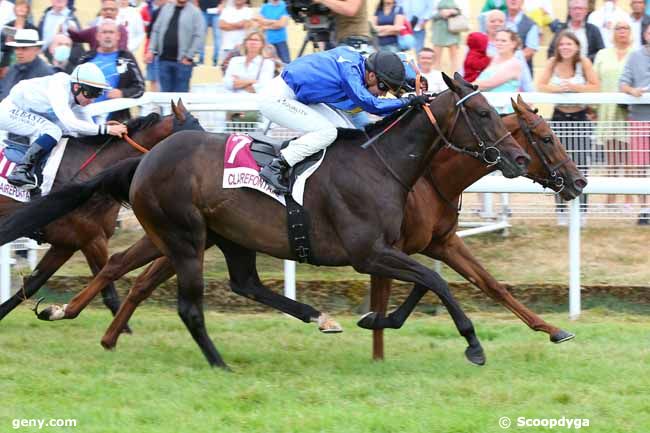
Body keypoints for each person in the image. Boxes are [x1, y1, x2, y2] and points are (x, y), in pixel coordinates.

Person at [258, 48, 431, 194]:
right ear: (371, 76)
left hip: (300, 98)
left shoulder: (362, 63)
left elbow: (398, 57)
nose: (383, 93)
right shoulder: (350, 72)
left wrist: (411, 84)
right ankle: (276, 166)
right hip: (277, 98)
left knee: (349, 134)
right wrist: (407, 101)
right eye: (383, 87)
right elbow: (371, 105)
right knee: (327, 132)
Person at [0, 62, 128, 190]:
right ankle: (20, 171)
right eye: (91, 93)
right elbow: (71, 123)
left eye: (97, 94)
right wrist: (106, 129)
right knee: (53, 130)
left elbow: (86, 127)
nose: (92, 100)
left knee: (64, 132)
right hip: (10, 110)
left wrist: (103, 130)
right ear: (77, 87)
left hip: (28, 111)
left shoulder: (77, 97)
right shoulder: (59, 87)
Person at [538, 30, 599, 218]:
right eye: (561, 44)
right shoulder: (552, 62)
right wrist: (558, 89)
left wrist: (574, 87)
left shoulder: (584, 63)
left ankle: (581, 210)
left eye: (569, 44)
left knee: (580, 165)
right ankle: (561, 210)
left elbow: (595, 86)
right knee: (556, 165)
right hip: (559, 118)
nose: (565, 48)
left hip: (580, 118)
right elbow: (540, 85)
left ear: (577, 46)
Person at [593, 20, 633, 206]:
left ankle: (629, 197)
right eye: (618, 28)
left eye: (625, 28)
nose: (622, 31)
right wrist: (593, 109)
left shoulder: (637, 54)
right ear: (613, 32)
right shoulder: (602, 54)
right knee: (611, 157)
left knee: (630, 156)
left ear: (630, 32)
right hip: (607, 110)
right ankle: (610, 198)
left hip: (630, 112)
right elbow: (596, 80)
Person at [76, 19, 145, 122]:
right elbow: (73, 85)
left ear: (118, 36)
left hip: (115, 121)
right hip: (86, 119)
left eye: (111, 32)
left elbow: (140, 88)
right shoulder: (87, 57)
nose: (108, 36)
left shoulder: (126, 58)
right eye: (104, 32)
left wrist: (122, 93)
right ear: (98, 36)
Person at [619, 24, 650, 214]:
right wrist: (633, 91)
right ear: (645, 35)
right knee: (640, 165)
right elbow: (623, 83)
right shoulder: (635, 56)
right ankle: (645, 208)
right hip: (639, 117)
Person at [146, 0, 204, 92]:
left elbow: (199, 36)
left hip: (183, 63)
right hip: (163, 61)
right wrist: (151, 50)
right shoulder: (166, 8)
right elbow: (156, 30)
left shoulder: (195, 12)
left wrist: (189, 57)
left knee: (179, 99)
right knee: (165, 98)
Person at [473, 29, 522, 114]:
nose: (499, 43)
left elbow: (489, 84)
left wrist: (464, 86)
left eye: (503, 41)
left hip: (504, 111)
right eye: (497, 40)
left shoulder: (514, 63)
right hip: (487, 108)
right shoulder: (494, 59)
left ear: (513, 44)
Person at [0, 29, 54, 101]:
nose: (19, 52)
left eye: (24, 48)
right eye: (17, 48)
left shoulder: (46, 74)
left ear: (37, 50)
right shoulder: (12, 69)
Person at [0, 0, 37, 78]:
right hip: (7, 62)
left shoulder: (31, 28)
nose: (21, 9)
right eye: (19, 7)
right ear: (15, 9)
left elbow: (34, 46)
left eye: (24, 7)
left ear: (28, 10)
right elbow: (3, 47)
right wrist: (7, 42)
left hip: (25, 63)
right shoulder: (8, 26)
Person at [431, 0, 469, 71]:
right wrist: (441, 13)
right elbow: (430, 14)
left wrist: (454, 12)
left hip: (453, 30)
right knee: (436, 58)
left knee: (455, 58)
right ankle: (436, 77)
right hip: (439, 31)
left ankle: (455, 79)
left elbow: (465, 13)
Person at [505, 0, 539, 76]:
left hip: (521, 74)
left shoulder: (531, 24)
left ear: (523, 1)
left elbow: (530, 51)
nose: (513, 0)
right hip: (497, 71)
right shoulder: (498, 19)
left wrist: (507, 60)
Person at [256, 0, 290, 64]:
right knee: (268, 64)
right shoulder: (265, 7)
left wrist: (266, 26)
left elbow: (281, 24)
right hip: (267, 41)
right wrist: (275, 21)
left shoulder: (284, 6)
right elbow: (259, 22)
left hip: (281, 40)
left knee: (285, 64)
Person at [198, 0, 222, 66]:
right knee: (201, 35)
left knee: (217, 36)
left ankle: (216, 59)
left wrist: (221, 5)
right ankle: (201, 58)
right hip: (203, 11)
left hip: (216, 11)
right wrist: (197, 6)